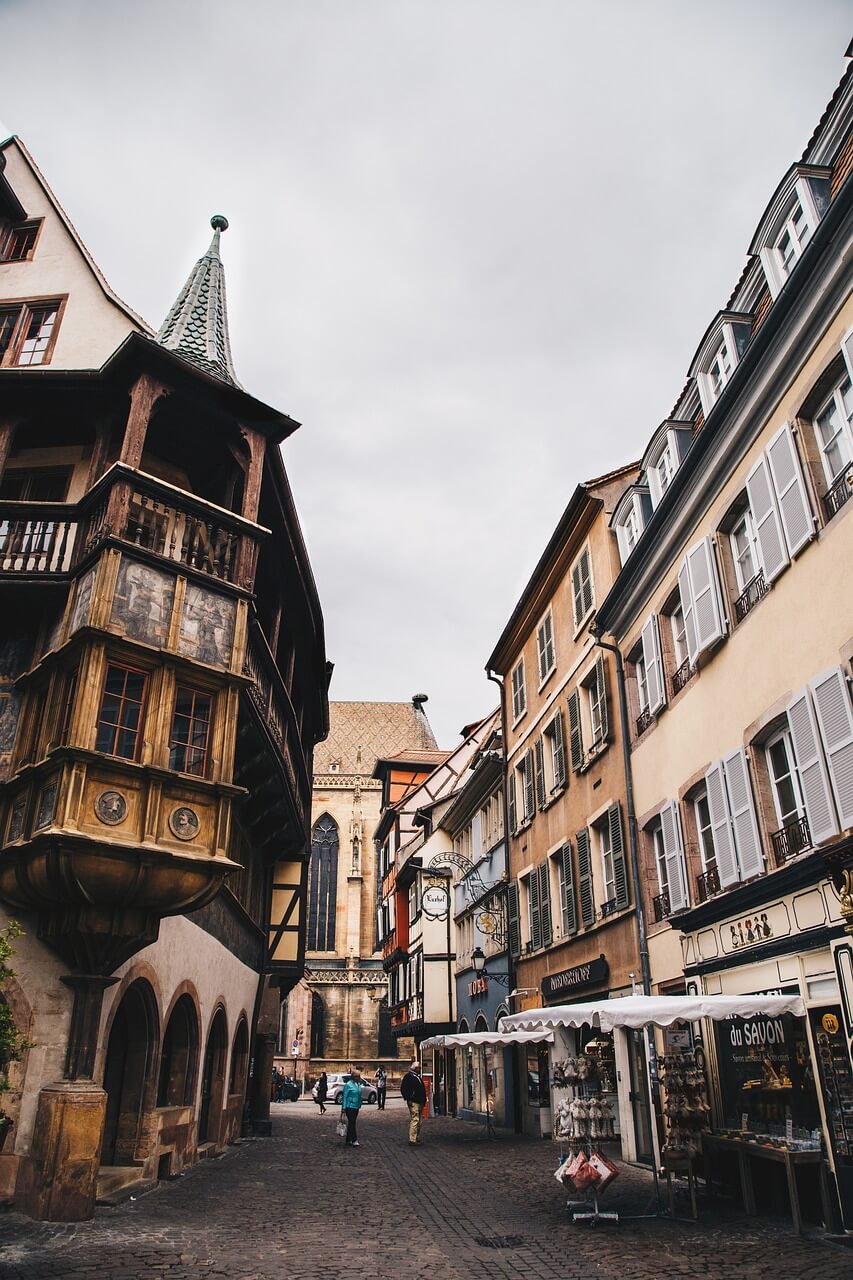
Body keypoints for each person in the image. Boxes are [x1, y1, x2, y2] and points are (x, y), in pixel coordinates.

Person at [400, 1060, 426, 1146]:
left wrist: (424, 1100)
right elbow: (403, 1089)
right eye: (419, 1068)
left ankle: (416, 1137)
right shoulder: (408, 1077)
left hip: (420, 1101)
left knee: (419, 1121)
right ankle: (412, 1139)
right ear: (415, 1068)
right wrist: (409, 1098)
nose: (420, 1069)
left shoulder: (417, 1077)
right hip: (414, 1101)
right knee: (415, 1119)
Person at [341, 1069, 363, 1147]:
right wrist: (343, 1108)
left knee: (351, 1123)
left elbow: (359, 1095)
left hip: (356, 1106)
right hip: (349, 1107)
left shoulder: (358, 1084)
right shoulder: (348, 1085)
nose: (359, 1078)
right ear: (354, 1077)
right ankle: (354, 1140)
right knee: (352, 1123)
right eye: (358, 1076)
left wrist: (360, 1104)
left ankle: (348, 1140)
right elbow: (345, 1097)